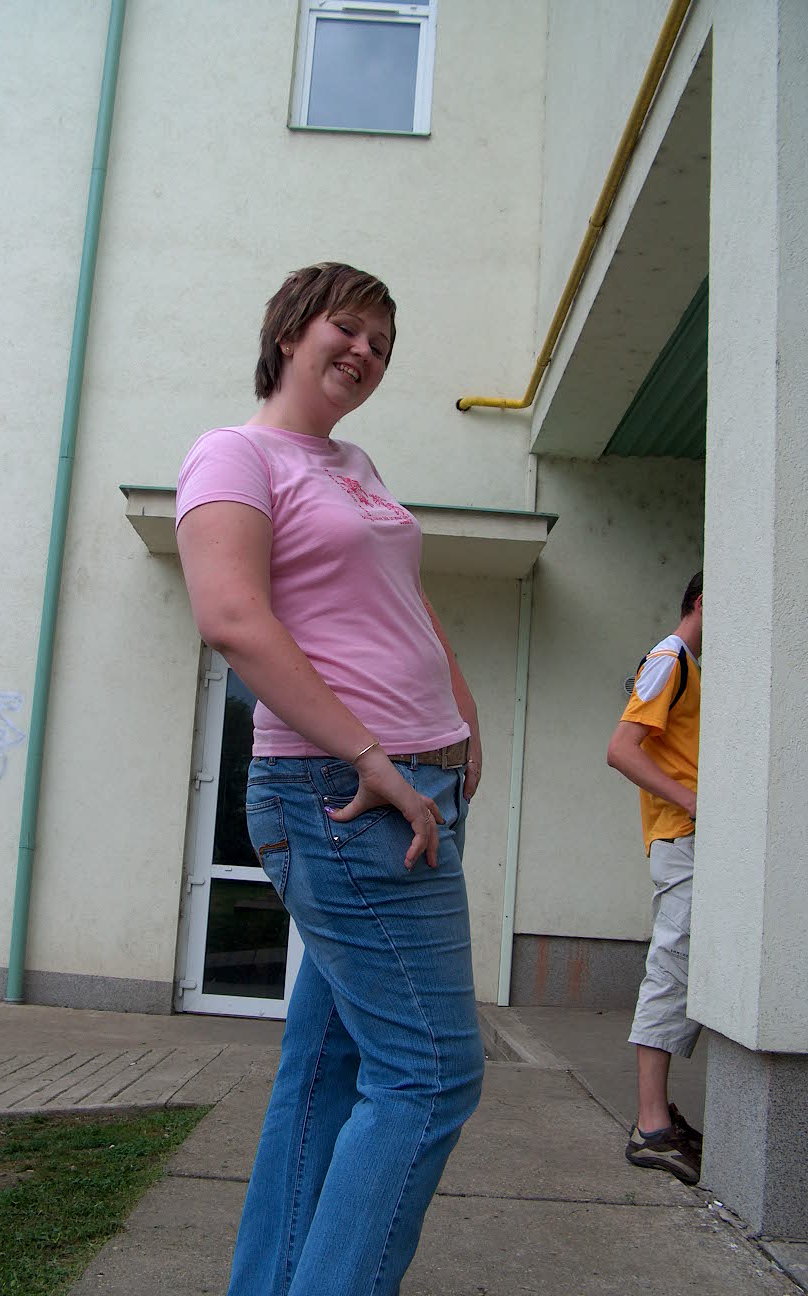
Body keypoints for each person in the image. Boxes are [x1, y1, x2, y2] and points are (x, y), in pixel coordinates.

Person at [175, 262, 485, 1296]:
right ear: (290, 332)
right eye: (348, 329)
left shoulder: (353, 462)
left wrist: (461, 714)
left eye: (381, 343)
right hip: (344, 796)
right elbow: (232, 618)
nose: (365, 352)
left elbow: (403, 594)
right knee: (430, 1074)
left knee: (329, 1072)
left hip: (410, 789)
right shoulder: (234, 454)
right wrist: (372, 757)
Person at [606, 571, 704, 1185]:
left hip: (689, 840)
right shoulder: (670, 660)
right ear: (703, 602)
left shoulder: (688, 665)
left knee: (683, 965)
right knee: (671, 966)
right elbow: (621, 749)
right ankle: (651, 1128)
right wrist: (694, 802)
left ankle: (659, 1116)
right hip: (682, 839)